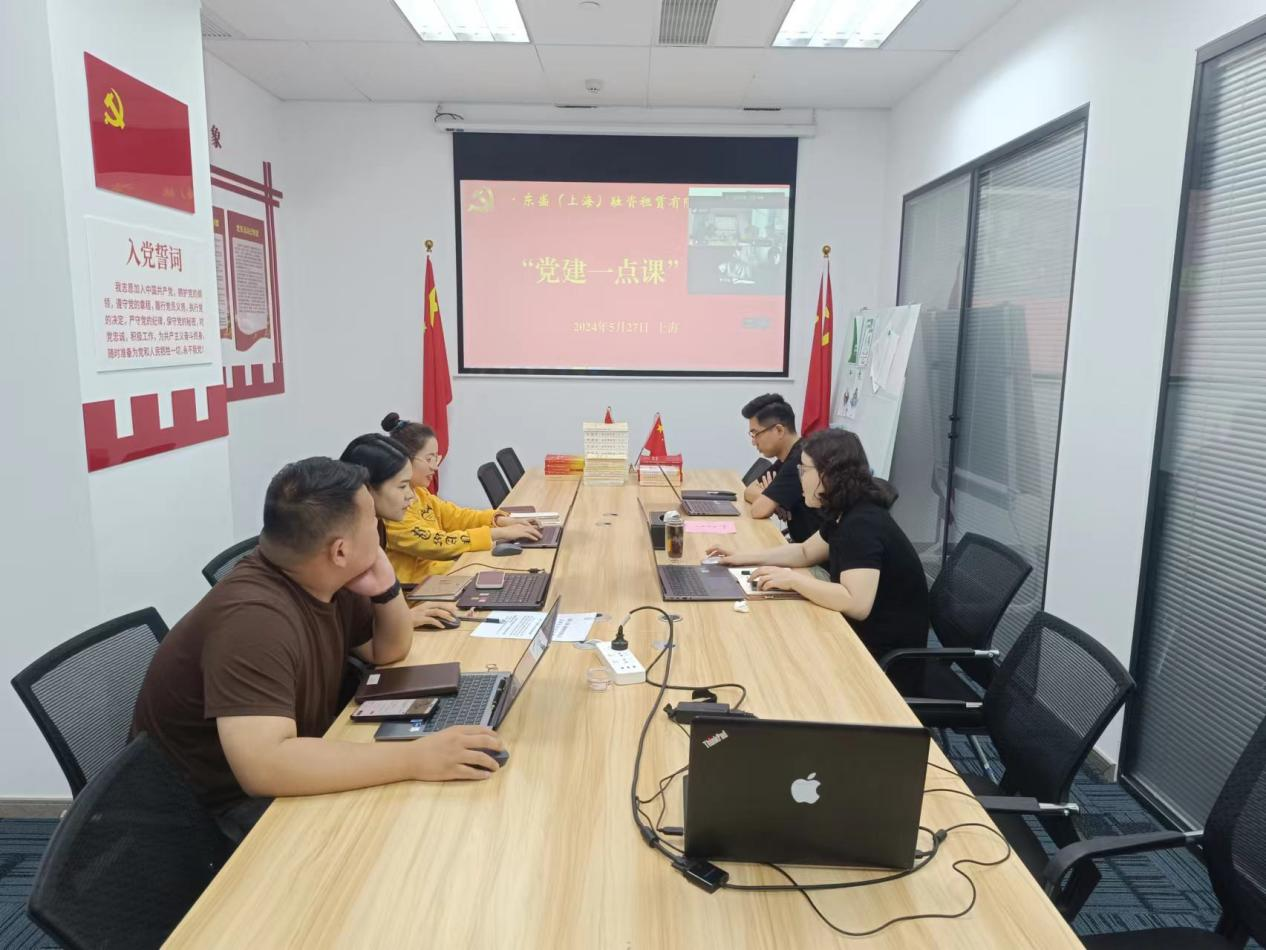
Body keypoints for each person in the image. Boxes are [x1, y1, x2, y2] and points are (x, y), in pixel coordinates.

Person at [132, 457, 505, 843]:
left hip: (292, 764)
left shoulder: (322, 575)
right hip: (210, 820)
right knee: (416, 834)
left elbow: (387, 650)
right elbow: (264, 766)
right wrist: (416, 757)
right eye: (372, 521)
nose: (381, 529)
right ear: (340, 551)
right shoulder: (254, 620)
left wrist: (386, 588)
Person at [709, 428, 929, 677]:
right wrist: (742, 557)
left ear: (828, 474)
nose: (799, 477)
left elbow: (856, 603)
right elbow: (805, 551)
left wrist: (793, 580)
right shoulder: (845, 510)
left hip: (884, 663)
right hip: (857, 636)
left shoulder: (862, 524)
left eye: (804, 470)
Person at [379, 412, 540, 583]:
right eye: (429, 459)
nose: (435, 467)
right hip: (420, 588)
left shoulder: (419, 493)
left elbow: (457, 516)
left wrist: (500, 521)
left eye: (436, 458)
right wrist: (498, 533)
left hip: (443, 573)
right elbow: (436, 543)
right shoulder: (393, 508)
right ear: (405, 460)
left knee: (516, 571)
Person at [338, 433, 461, 629]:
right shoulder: (345, 542)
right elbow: (349, 626)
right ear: (367, 489)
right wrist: (403, 620)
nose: (410, 497)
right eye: (403, 486)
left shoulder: (375, 525)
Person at [740, 393, 822, 543]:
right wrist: (774, 502)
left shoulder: (800, 461)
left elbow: (758, 510)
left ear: (779, 430)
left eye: (756, 434)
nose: (754, 442)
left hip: (813, 552)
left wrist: (770, 501)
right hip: (802, 546)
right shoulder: (789, 455)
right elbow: (749, 490)